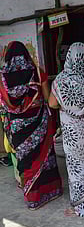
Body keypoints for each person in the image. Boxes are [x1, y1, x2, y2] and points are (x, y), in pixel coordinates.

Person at [0, 41, 63, 209]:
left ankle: (33, 197)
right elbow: (48, 99)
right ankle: (51, 190)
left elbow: (3, 105)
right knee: (44, 158)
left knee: (26, 161)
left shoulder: (2, 78)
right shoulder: (37, 73)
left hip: (17, 127)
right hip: (39, 125)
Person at [49, 42, 84, 217]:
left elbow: (52, 103)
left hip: (72, 135)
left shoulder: (61, 79)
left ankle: (82, 207)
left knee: (77, 170)